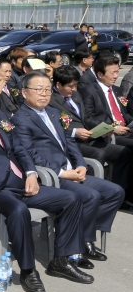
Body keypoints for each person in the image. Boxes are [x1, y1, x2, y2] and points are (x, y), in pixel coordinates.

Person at [0, 70, 90, 292]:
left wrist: (32, 173)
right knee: (18, 210)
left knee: (71, 199)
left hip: (18, 181)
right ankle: (28, 270)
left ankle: (61, 261)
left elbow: (19, 148)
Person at [11, 72, 123, 262]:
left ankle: (85, 237)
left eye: (47, 89)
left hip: (72, 170)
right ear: (24, 92)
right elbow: (29, 154)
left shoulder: (54, 113)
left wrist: (80, 165)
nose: (44, 94)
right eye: (38, 89)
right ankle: (77, 246)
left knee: (115, 192)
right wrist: (64, 173)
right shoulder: (20, 119)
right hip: (51, 176)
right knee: (90, 196)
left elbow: (70, 144)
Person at [49, 66, 133, 191]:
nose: (74, 89)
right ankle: (93, 190)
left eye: (76, 85)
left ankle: (120, 190)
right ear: (59, 85)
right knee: (98, 154)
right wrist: (74, 132)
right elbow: (52, 128)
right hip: (72, 142)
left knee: (124, 152)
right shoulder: (50, 101)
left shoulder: (76, 95)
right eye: (70, 86)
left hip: (90, 137)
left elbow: (86, 118)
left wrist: (104, 129)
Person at [77, 54, 133, 148]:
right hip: (109, 135)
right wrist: (112, 128)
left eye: (117, 72)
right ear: (100, 74)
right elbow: (88, 118)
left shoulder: (116, 90)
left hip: (126, 130)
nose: (116, 76)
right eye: (112, 73)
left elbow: (124, 113)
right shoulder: (89, 91)